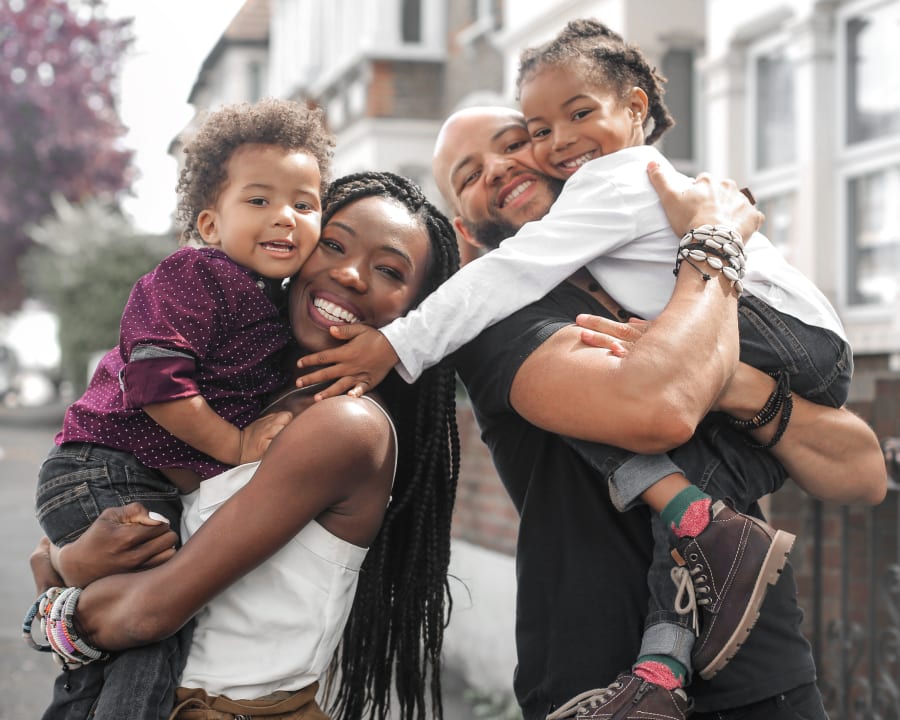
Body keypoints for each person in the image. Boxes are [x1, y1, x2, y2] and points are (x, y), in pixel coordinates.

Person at [285, 18, 858, 694]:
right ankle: (673, 636)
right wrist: (712, 246)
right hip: (600, 676)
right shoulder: (504, 321)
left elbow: (864, 471)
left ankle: (689, 610)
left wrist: (725, 364)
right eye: (469, 174)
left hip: (764, 668)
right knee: (691, 473)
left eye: (515, 142)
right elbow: (661, 409)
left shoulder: (636, 230)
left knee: (706, 492)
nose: (503, 165)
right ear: (465, 229)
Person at [26, 172, 462, 720]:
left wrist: (51, 606)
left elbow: (146, 615)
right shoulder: (234, 404)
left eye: (389, 270)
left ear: (414, 311)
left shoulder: (346, 427)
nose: (349, 274)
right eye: (333, 243)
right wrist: (70, 559)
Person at [31, 97, 334, 720]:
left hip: (136, 475)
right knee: (153, 621)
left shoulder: (272, 303)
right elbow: (155, 380)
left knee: (118, 640)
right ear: (210, 223)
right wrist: (236, 446)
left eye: (304, 204)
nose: (285, 217)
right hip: (103, 466)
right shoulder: (195, 275)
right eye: (259, 200)